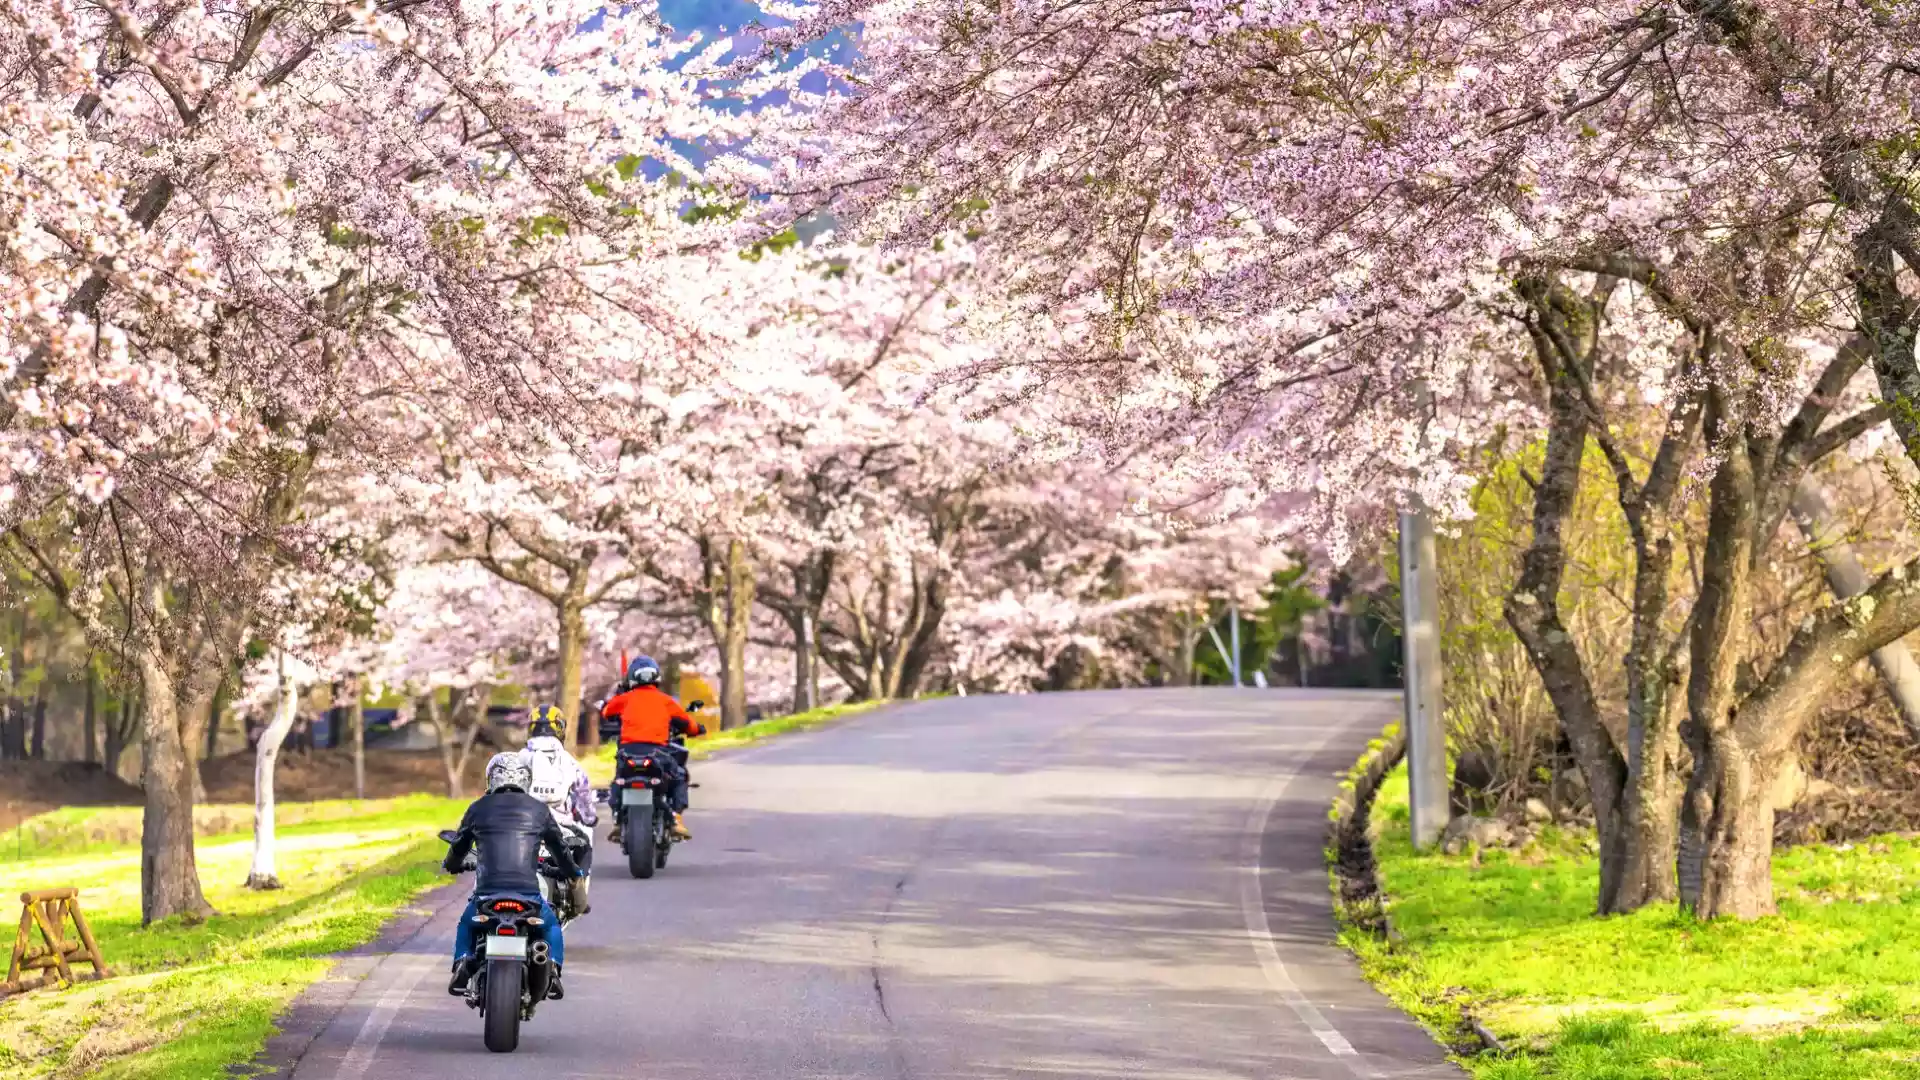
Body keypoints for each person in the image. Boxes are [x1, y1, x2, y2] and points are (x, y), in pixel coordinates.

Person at [443, 754, 583, 998]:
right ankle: (552, 969)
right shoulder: (539, 809)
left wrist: (452, 864)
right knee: (551, 925)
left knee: (467, 923)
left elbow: (459, 846)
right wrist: (571, 872)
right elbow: (559, 849)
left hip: (487, 894)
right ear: (526, 779)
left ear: (491, 778)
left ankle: (463, 961)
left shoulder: (477, 808)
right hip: (528, 894)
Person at [601, 655, 703, 842]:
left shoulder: (624, 699)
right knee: (679, 776)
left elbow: (607, 712)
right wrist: (698, 729)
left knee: (619, 780)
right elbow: (689, 725)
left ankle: (617, 818)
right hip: (658, 754)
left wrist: (619, 697)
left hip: (628, 753)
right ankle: (676, 818)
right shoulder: (666, 701)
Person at [519, 704, 597, 916]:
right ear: (561, 729)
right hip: (561, 827)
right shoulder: (570, 763)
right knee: (585, 847)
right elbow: (583, 797)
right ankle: (577, 896)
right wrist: (590, 818)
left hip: (521, 824)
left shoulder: (517, 758)